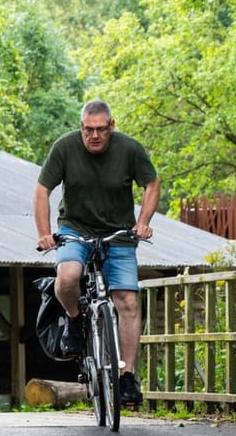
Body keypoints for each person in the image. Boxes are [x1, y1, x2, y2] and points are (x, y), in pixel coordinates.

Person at [33, 99, 160, 405]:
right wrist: (44, 233)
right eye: (88, 130)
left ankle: (127, 376)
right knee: (68, 277)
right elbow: (42, 191)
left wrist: (143, 222)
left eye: (101, 129)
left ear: (111, 127)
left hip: (118, 233)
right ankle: (75, 319)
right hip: (75, 229)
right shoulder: (64, 148)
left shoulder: (129, 149)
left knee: (127, 300)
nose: (94, 136)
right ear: (81, 127)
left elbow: (152, 184)